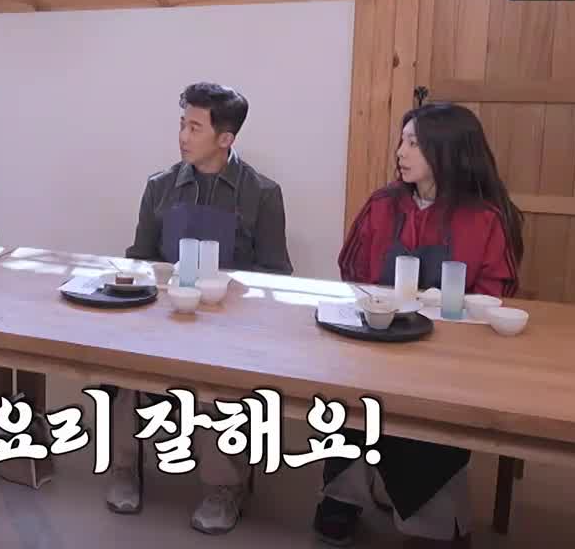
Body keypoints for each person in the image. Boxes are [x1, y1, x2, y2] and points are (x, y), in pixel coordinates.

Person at [313, 102, 524, 548]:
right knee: (350, 396)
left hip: (450, 354)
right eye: (402, 140)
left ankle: (433, 519)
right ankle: (343, 495)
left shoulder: (486, 217)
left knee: (432, 418)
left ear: (447, 151)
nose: (400, 152)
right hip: (377, 340)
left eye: (414, 143)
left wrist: (443, 307)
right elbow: (352, 270)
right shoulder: (383, 204)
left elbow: (496, 291)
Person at [105, 83, 293, 535]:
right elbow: (140, 259)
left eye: (194, 127)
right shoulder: (160, 187)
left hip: (230, 327)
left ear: (225, 138)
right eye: (182, 125)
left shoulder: (262, 194)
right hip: (167, 317)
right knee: (123, 361)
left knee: (221, 381)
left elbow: (279, 277)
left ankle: (223, 488)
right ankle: (125, 467)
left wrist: (229, 299)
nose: (183, 137)